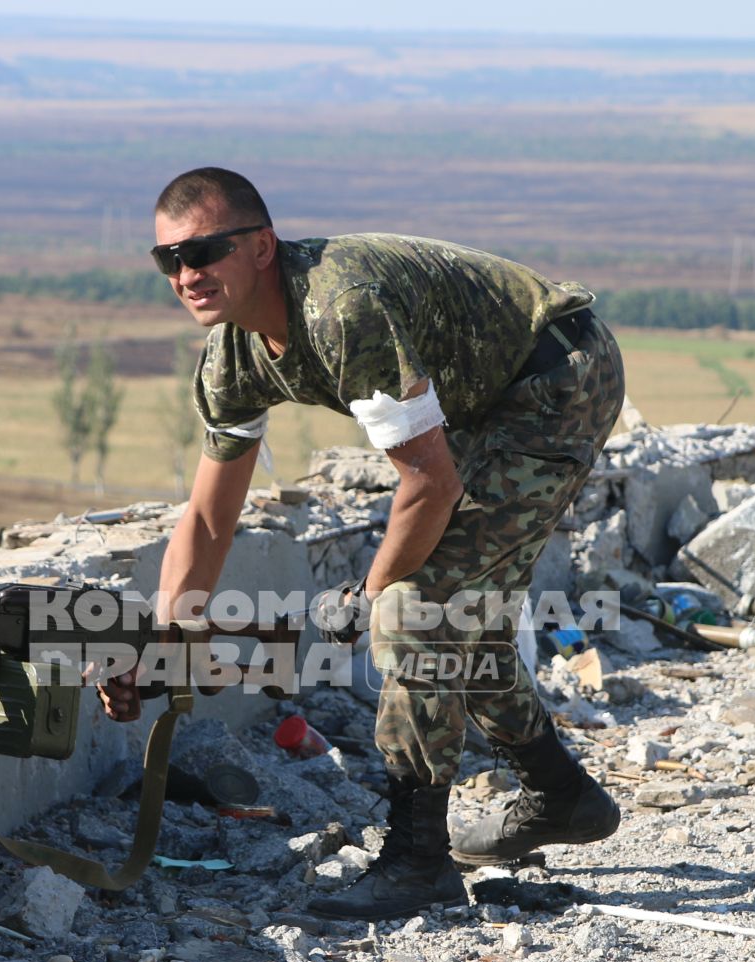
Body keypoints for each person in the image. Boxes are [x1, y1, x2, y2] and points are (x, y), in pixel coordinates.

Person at [99, 167, 626, 921]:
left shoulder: (340, 311)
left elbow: (430, 483)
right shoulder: (232, 357)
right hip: (484, 399)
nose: (186, 275)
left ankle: (418, 861)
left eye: (203, 251)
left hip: (555, 379)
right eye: (168, 261)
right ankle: (561, 796)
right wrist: (161, 646)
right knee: (451, 609)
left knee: (417, 608)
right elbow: (210, 520)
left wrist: (371, 592)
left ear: (259, 247)